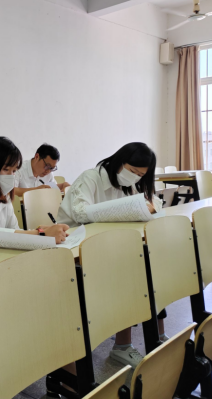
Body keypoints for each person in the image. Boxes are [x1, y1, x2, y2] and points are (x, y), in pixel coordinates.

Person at [57, 142, 166, 368]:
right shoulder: (90, 178)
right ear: (120, 161)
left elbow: (152, 201)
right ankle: (122, 346)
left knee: (149, 271)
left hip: (108, 246)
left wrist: (149, 206)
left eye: (140, 175)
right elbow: (80, 213)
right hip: (75, 249)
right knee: (128, 275)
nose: (135, 178)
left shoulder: (129, 184)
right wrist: (122, 211)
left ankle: (157, 338)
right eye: (132, 171)